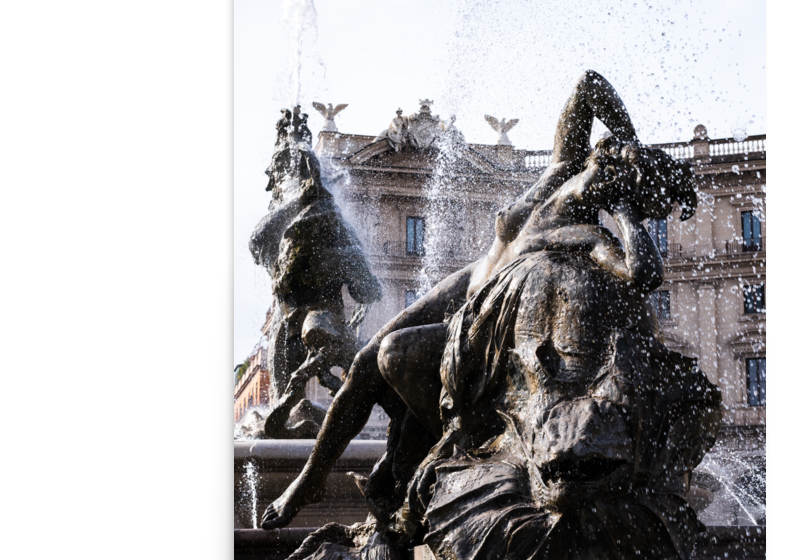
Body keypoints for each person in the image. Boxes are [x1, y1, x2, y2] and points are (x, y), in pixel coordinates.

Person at [260, 71, 697, 528]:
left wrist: (627, 210)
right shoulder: (563, 167)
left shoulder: (589, 235)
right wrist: (631, 144)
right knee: (365, 360)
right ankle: (311, 478)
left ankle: (453, 445)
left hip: (488, 311)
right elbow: (589, 85)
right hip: (472, 277)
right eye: (612, 165)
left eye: (624, 184)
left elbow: (644, 273)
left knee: (390, 357)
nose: (610, 173)